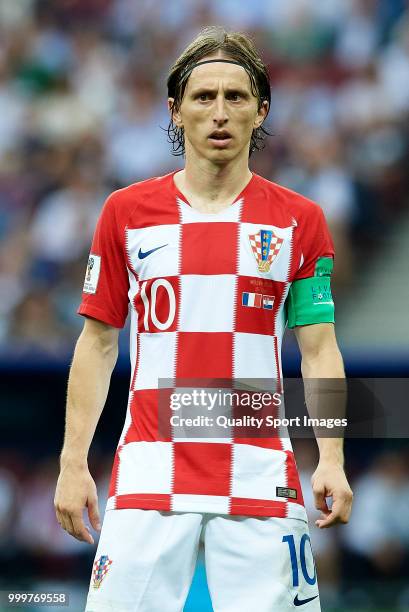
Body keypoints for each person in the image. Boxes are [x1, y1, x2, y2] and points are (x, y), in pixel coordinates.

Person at [54, 26, 353, 612]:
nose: (220, 113)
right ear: (175, 109)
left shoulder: (301, 220)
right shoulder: (126, 212)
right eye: (203, 97)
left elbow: (319, 348)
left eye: (236, 98)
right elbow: (96, 344)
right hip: (149, 469)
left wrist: (333, 458)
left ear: (261, 109)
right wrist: (72, 464)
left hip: (260, 469)